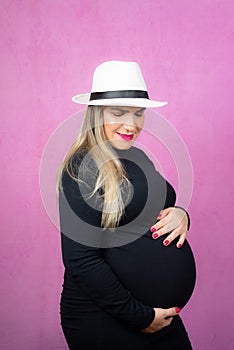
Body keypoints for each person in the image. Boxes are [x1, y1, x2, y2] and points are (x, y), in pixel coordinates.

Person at [56, 61, 196, 350]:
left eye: (138, 113)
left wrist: (182, 215)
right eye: (118, 113)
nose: (131, 124)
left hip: (157, 318)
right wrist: (140, 317)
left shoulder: (138, 157)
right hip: (106, 319)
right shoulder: (82, 167)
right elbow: (80, 260)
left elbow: (159, 210)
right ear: (96, 115)